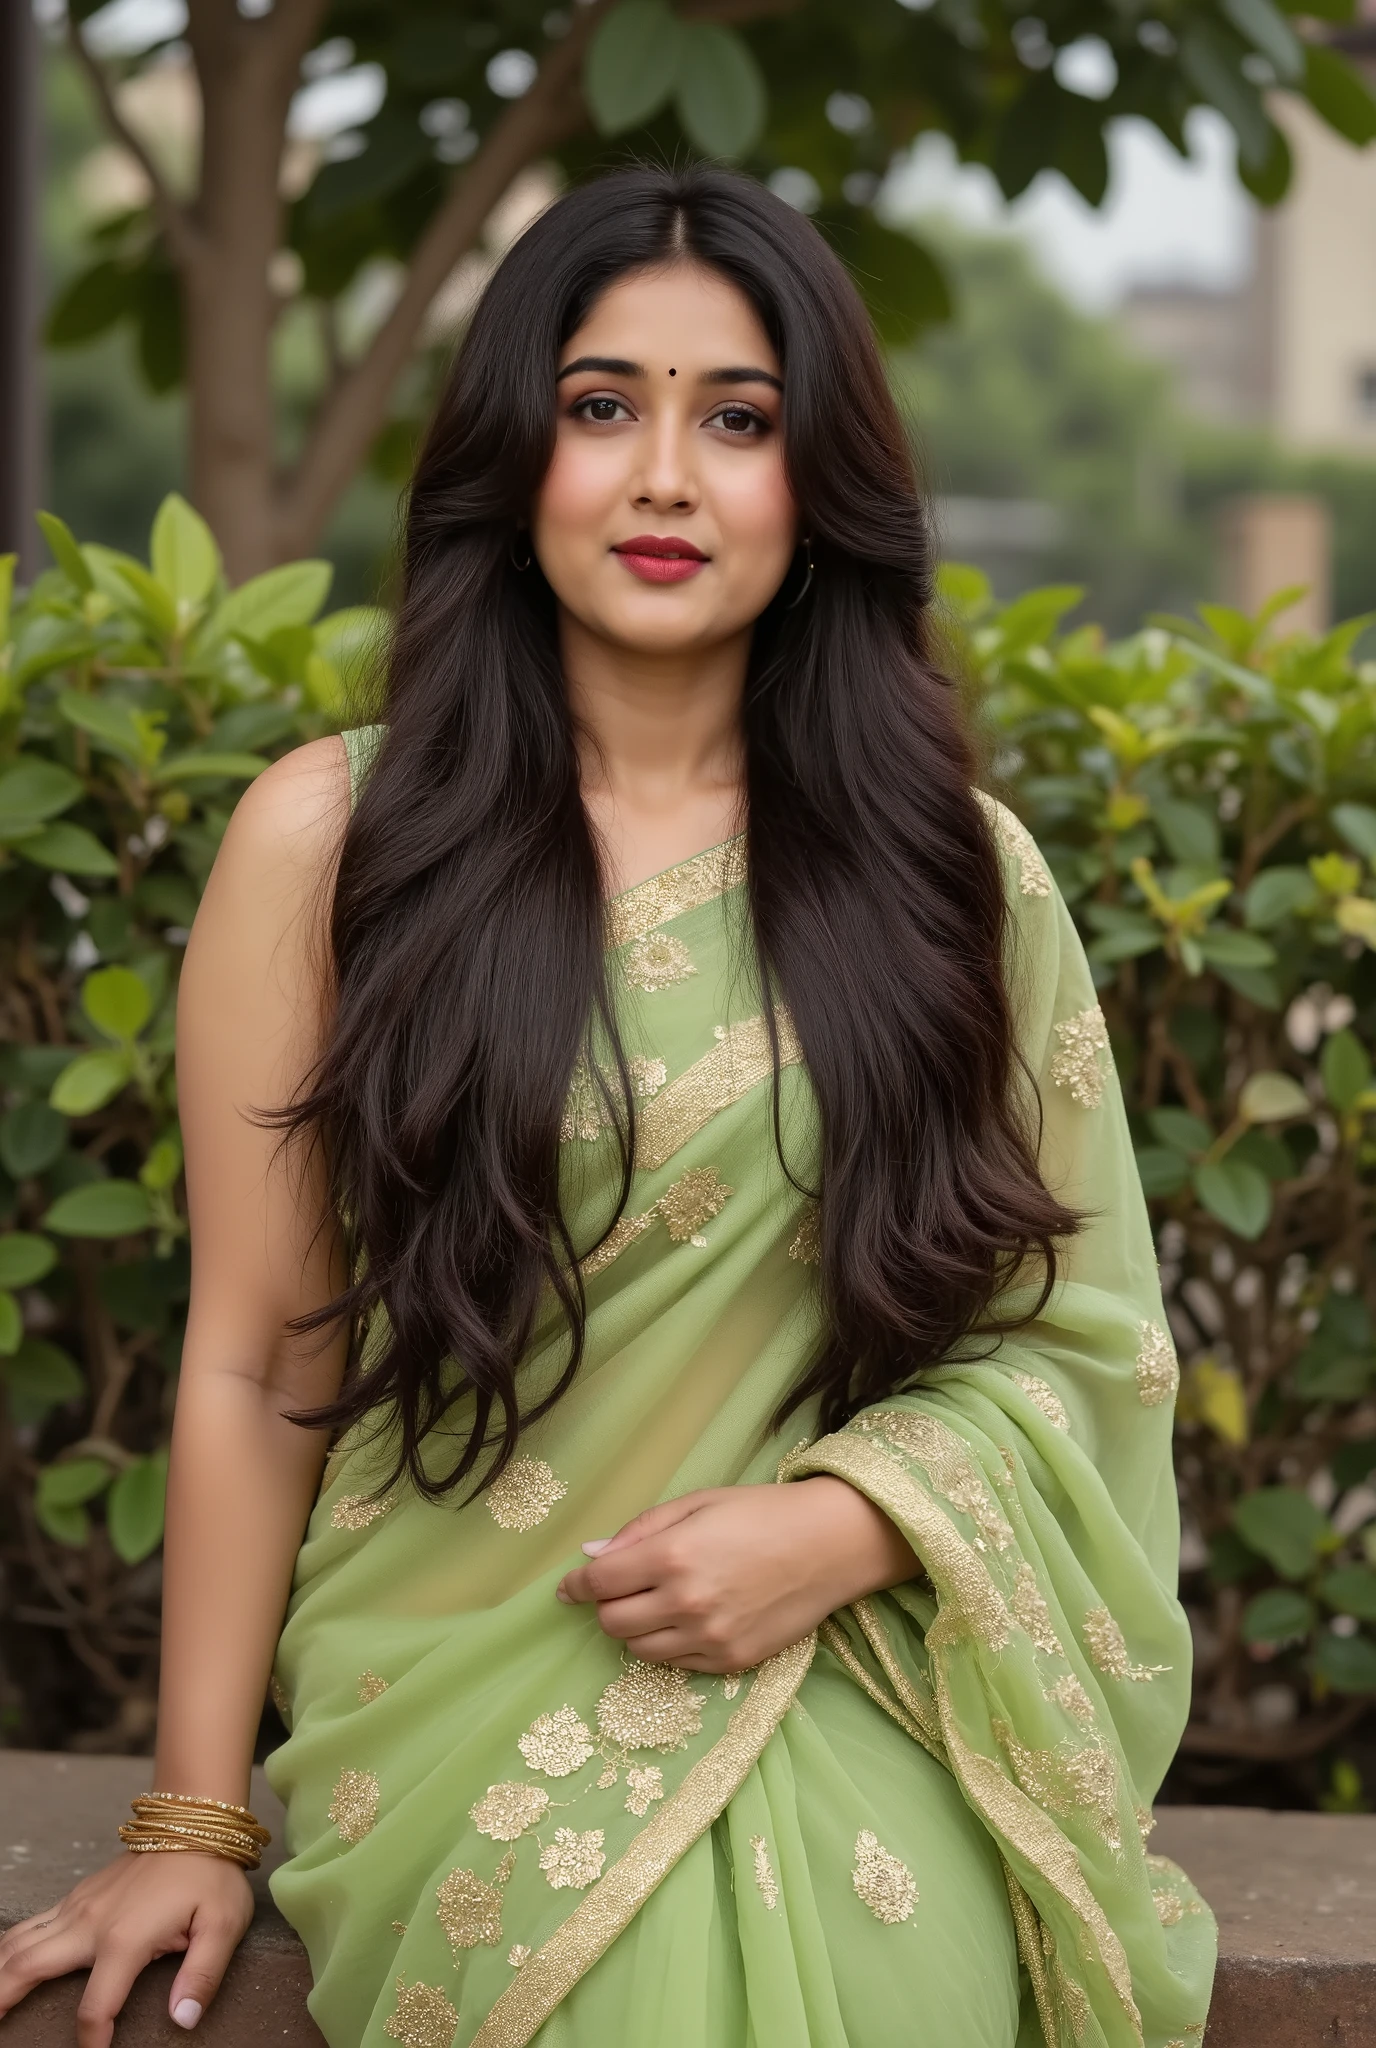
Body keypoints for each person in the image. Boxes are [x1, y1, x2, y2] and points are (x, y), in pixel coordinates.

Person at [0, 163, 1215, 2048]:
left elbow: (1083, 1349)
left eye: (738, 418)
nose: (667, 476)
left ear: (821, 489)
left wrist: (853, 1525)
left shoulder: (950, 879)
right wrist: (193, 1813)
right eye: (600, 408)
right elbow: (254, 1360)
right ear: (515, 455)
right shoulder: (334, 841)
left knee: (889, 1956)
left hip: (843, 1673)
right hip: (458, 1673)